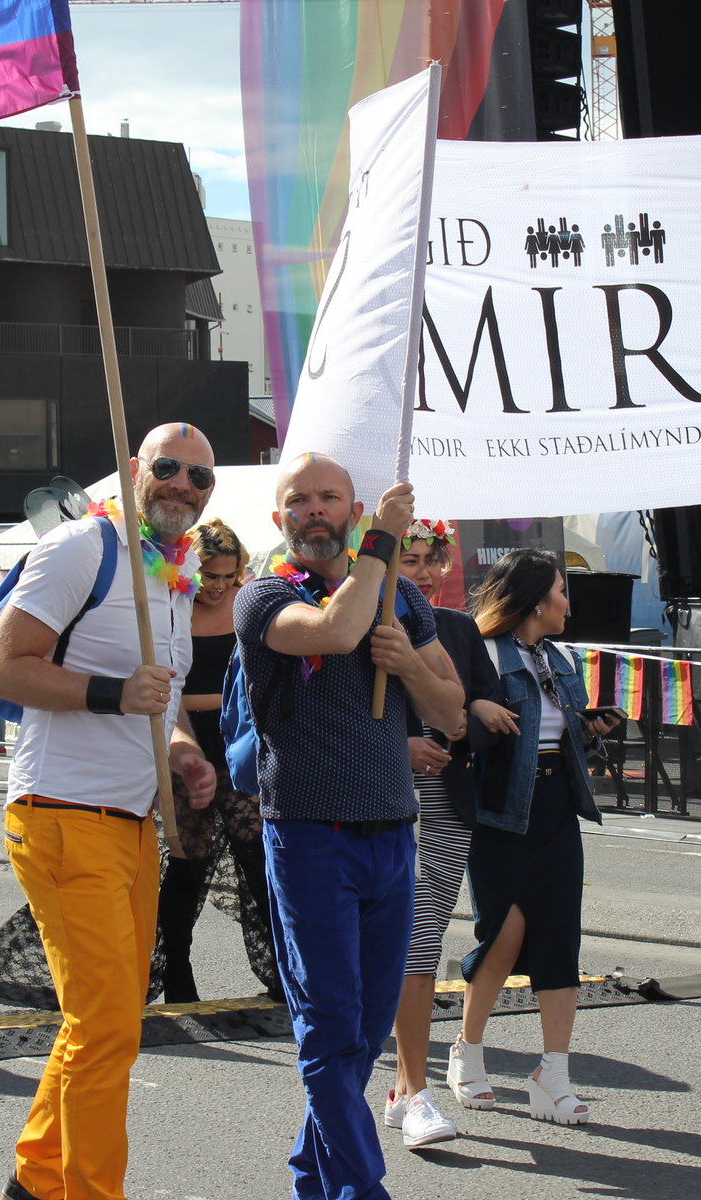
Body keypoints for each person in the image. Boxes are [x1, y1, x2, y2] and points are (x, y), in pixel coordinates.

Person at [0, 423, 218, 1200]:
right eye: (169, 468)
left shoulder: (178, 573)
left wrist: (182, 751)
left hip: (132, 825)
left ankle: (35, 1179)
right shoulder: (83, 548)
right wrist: (113, 693)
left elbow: (162, 704)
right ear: (133, 469)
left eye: (200, 477)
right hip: (61, 811)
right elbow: (3, 671)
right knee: (109, 1025)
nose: (183, 485)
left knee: (102, 1022)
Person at [232, 453, 464, 1200]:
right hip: (310, 836)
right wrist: (382, 545)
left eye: (330, 497)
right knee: (331, 1028)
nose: (315, 510)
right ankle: (362, 1190)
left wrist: (409, 665)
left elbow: (451, 710)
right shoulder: (263, 595)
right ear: (280, 519)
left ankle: (313, 1179)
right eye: (298, 500)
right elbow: (334, 631)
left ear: (353, 509)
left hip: (392, 834)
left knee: (364, 1032)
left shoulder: (400, 597)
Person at [446, 549, 619, 1127]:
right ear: (537, 601)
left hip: (556, 808)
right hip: (499, 813)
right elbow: (449, 718)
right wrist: (479, 708)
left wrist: (591, 729)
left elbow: (564, 736)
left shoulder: (562, 657)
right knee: (502, 937)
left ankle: (554, 1075)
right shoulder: (483, 651)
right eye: (562, 592)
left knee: (559, 940)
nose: (569, 603)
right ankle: (468, 1052)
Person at [383, 520, 518, 1148]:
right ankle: (410, 1088)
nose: (422, 571)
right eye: (407, 559)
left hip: (446, 806)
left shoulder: (460, 630)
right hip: (376, 800)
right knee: (393, 947)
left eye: (430, 559)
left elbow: (491, 711)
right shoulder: (359, 625)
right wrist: (399, 748)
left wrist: (472, 718)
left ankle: (407, 1089)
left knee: (421, 943)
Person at [158, 516, 279, 1003]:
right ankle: (176, 973)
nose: (220, 586)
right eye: (211, 575)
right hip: (185, 740)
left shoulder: (245, 604)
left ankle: (286, 971)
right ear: (192, 568)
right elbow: (167, 690)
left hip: (237, 741)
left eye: (230, 576)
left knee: (258, 854)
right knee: (187, 860)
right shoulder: (171, 605)